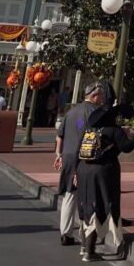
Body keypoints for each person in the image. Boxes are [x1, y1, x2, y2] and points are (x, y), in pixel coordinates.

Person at [76, 99, 134, 262]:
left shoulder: (90, 129)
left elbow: (79, 148)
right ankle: (91, 251)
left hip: (84, 169)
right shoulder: (113, 130)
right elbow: (126, 146)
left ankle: (85, 246)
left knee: (87, 206)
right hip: (104, 171)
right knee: (100, 205)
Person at [54, 81, 105, 247]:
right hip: (83, 156)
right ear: (94, 95)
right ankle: (87, 234)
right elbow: (91, 134)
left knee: (70, 194)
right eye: (101, 95)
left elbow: (60, 135)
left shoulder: (72, 112)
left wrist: (58, 154)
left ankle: (65, 232)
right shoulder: (94, 112)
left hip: (67, 155)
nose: (103, 98)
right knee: (87, 196)